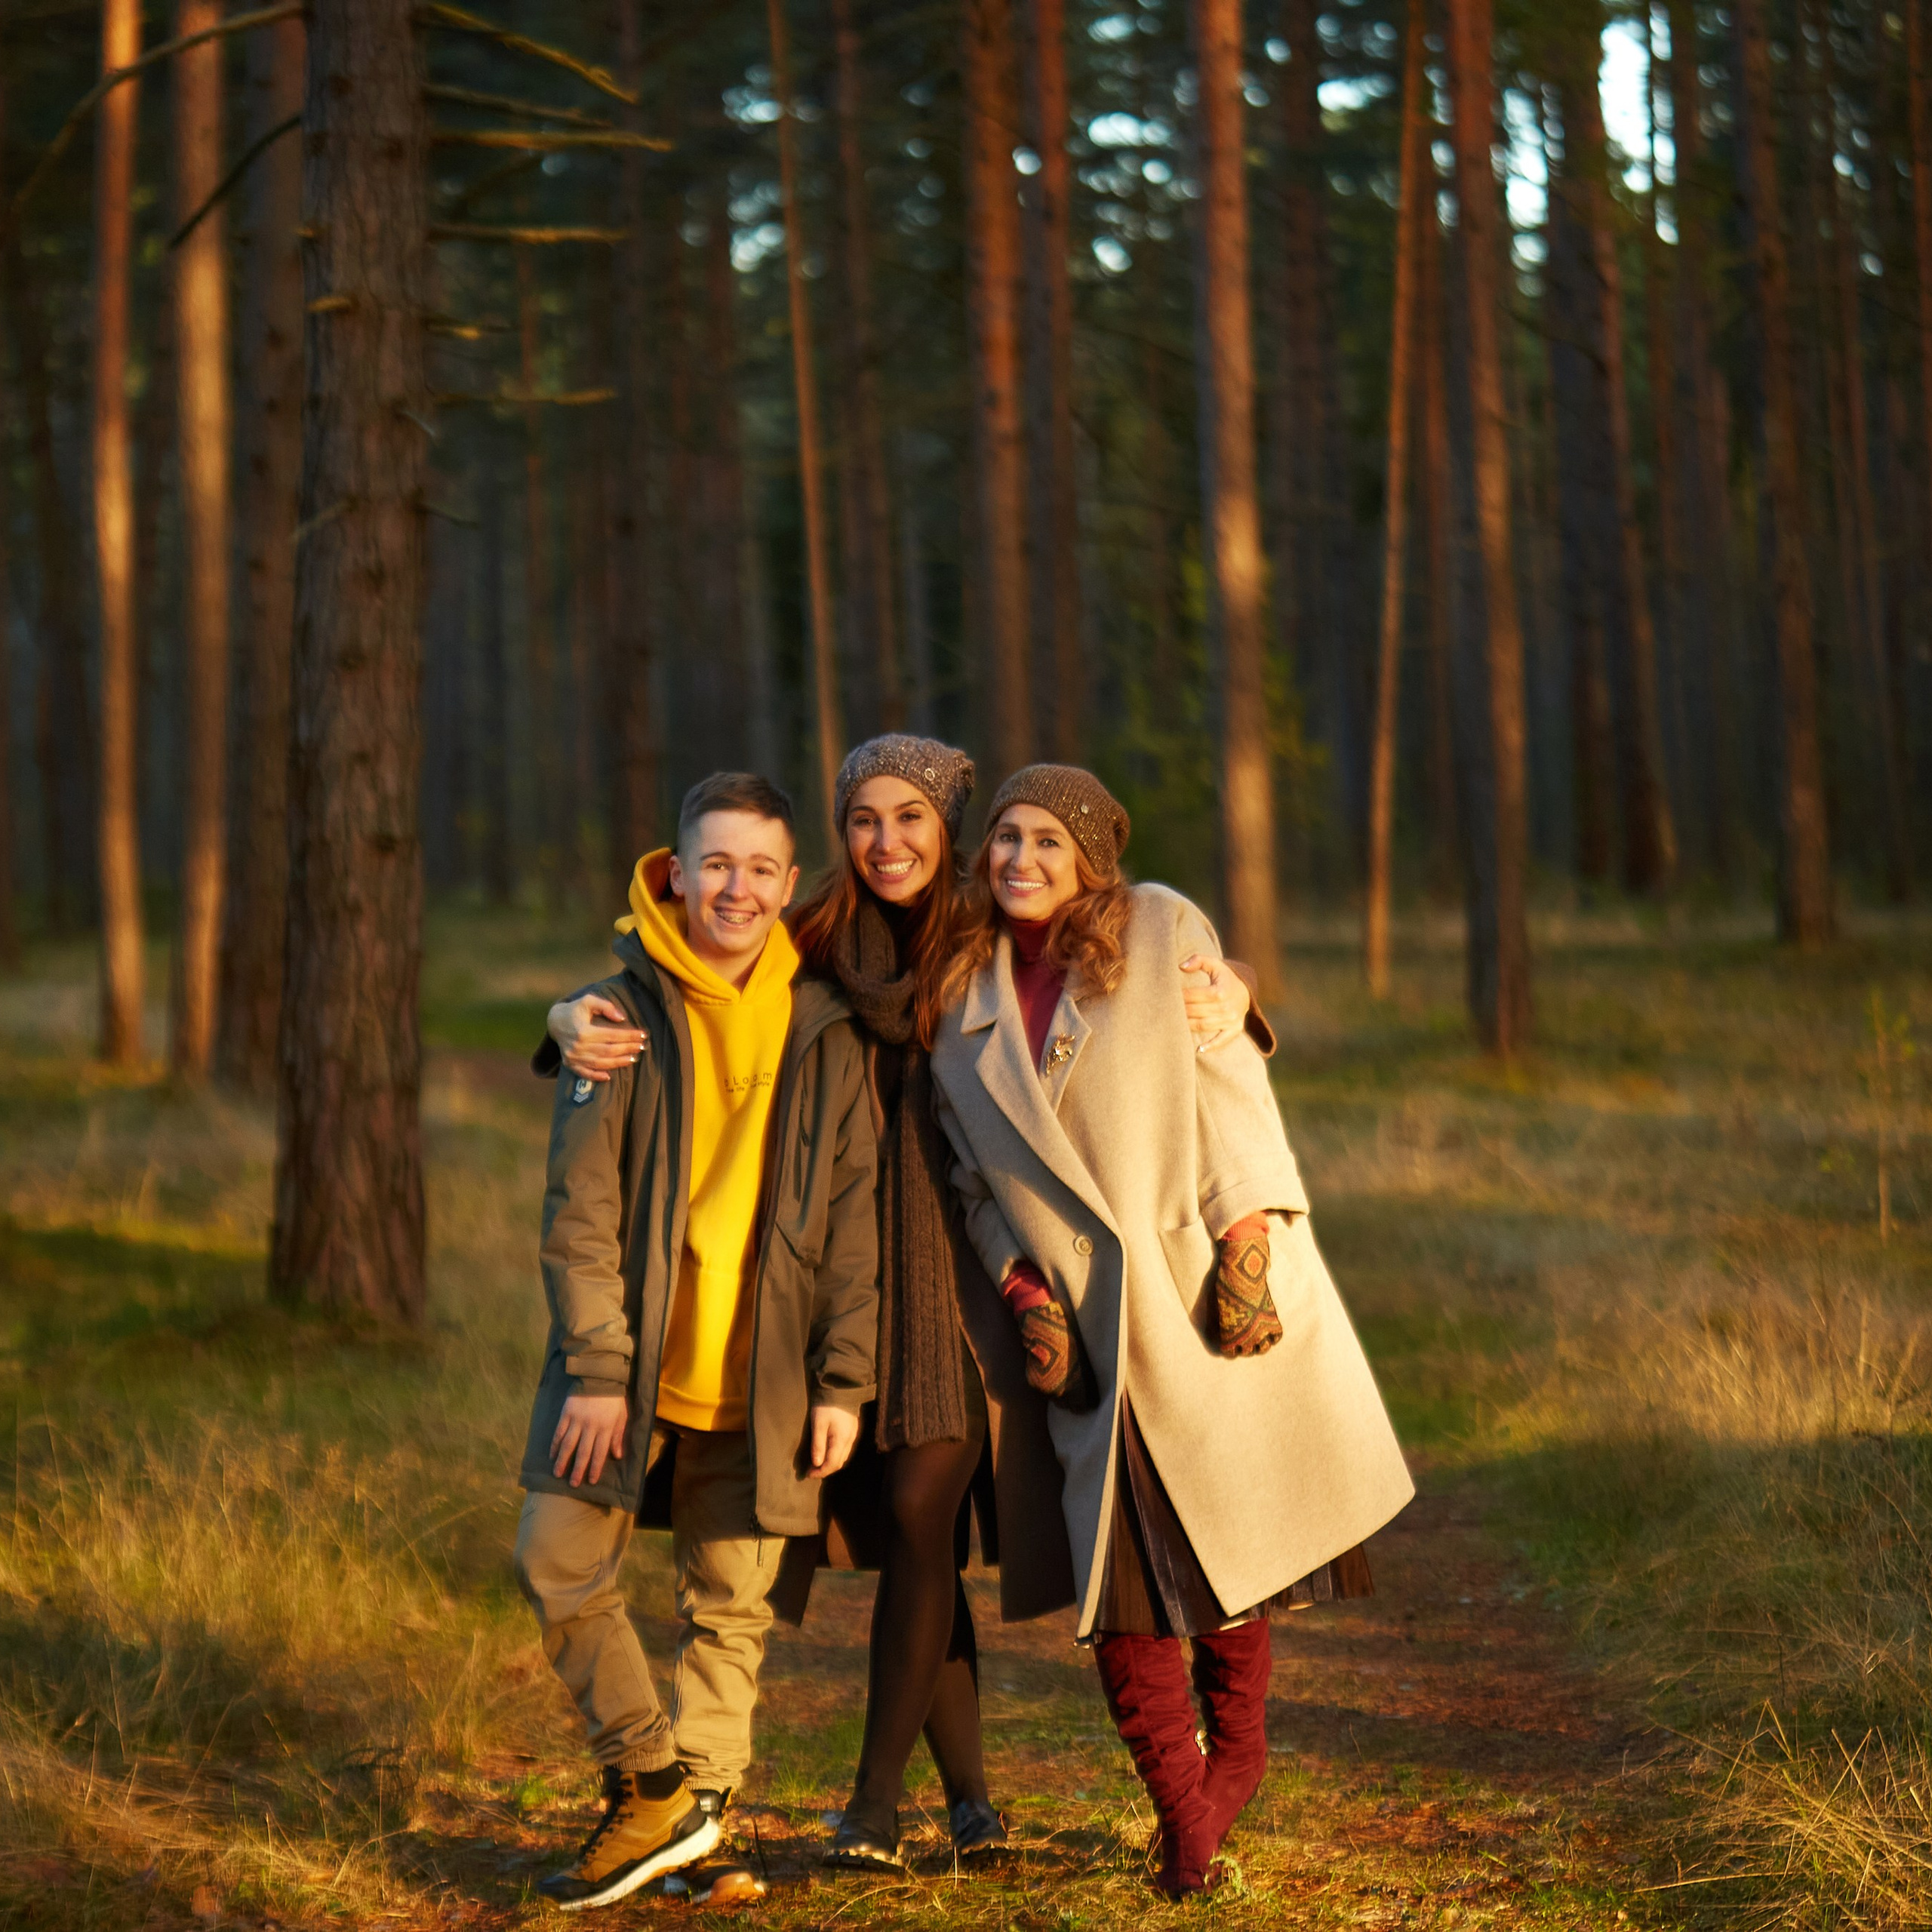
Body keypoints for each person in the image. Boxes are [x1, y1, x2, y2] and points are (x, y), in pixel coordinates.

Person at [546, 736, 1263, 1875]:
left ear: (950, 829)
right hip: (837, 1261)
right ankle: (972, 1805)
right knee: (896, 1537)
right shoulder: (810, 937)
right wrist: (565, 1020)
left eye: (911, 819)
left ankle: (873, 1806)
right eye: (865, 818)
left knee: (927, 1509)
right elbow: (685, 971)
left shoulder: (994, 933)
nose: (887, 841)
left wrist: (1230, 985)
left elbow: (1120, 975)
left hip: (970, 1266)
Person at [928, 764, 1414, 1897]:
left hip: (1192, 1287)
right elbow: (972, 1183)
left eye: (1048, 840)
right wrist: (1021, 1291)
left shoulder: (1154, 927)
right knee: (1124, 1594)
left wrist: (1249, 1232)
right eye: (1005, 837)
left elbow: (1226, 1073)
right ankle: (1185, 1815)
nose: (1021, 860)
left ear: (1093, 855)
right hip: (1084, 1337)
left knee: (1224, 1551)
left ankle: (1233, 1755)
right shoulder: (962, 996)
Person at [512, 772, 879, 1911]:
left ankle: (698, 1832)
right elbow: (577, 1220)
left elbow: (858, 1220)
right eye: (715, 862)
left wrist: (844, 1380)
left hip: (765, 1378)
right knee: (559, 1560)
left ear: (789, 883)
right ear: (676, 871)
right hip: (629, 1369)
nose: (738, 886)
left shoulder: (824, 1027)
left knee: (730, 1610)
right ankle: (653, 1780)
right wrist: (597, 1370)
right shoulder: (614, 1019)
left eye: (763, 867)